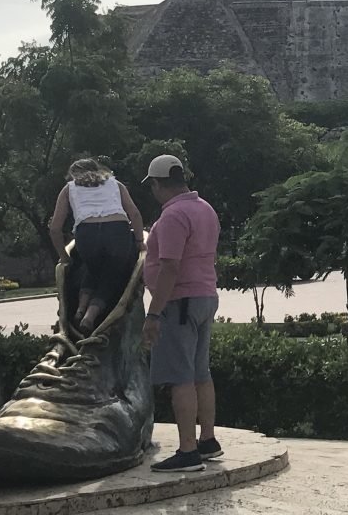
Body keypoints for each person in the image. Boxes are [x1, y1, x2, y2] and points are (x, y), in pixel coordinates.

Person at [140, 154, 221, 473]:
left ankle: (187, 451)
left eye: (153, 187)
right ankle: (207, 441)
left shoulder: (173, 215)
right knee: (201, 372)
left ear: (158, 184)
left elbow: (170, 267)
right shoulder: (205, 208)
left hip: (180, 302)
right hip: (204, 296)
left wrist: (154, 314)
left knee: (180, 378)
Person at [49, 159, 145, 334]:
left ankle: (80, 308)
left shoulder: (69, 188)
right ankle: (90, 316)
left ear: (73, 175)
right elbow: (135, 214)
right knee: (113, 274)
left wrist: (63, 256)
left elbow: (55, 228)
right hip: (117, 230)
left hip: (86, 233)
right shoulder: (116, 184)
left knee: (92, 269)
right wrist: (139, 241)